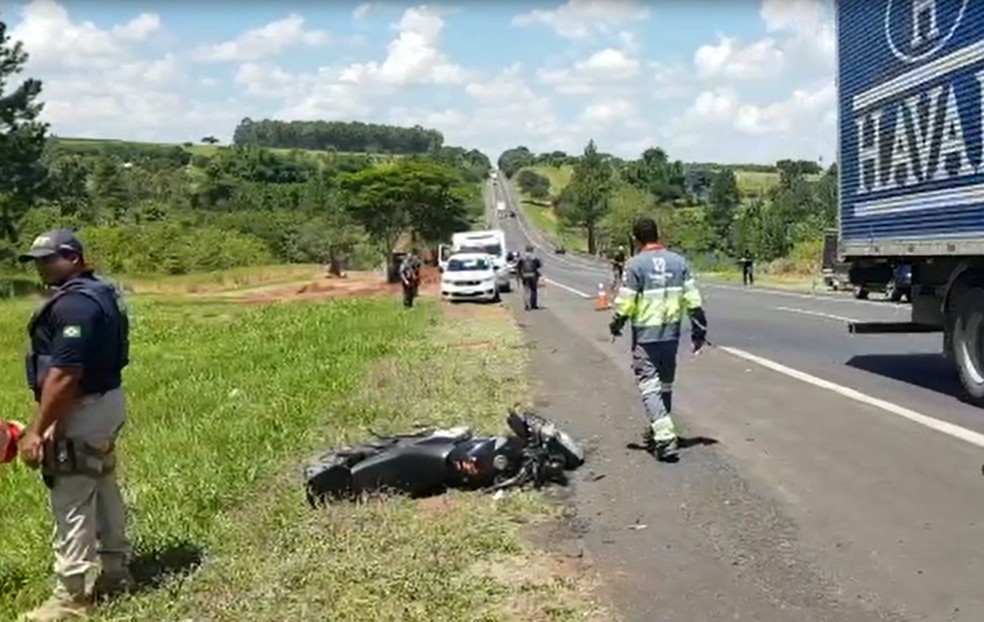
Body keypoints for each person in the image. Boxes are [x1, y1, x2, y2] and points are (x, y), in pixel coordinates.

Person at [16, 229, 133, 621]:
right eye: (37, 261)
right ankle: (116, 573)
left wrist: (37, 429)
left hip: (83, 407)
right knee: (101, 484)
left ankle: (70, 596)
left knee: (72, 497)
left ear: (74, 256)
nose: (42, 267)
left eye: (49, 258)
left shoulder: (74, 307)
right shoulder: (100, 292)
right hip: (106, 402)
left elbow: (65, 373)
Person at [609, 217, 708, 462]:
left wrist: (616, 323)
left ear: (636, 238)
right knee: (664, 386)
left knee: (649, 387)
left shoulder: (634, 265)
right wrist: (699, 332)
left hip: (646, 337)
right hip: (671, 335)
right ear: (658, 233)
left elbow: (626, 302)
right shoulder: (679, 262)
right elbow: (693, 301)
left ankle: (664, 439)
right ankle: (659, 430)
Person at [515, 244, 542, 310]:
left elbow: (518, 266)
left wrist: (519, 275)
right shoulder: (534, 257)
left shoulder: (522, 258)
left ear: (526, 250)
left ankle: (526, 304)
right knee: (533, 290)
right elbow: (539, 265)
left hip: (524, 275)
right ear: (532, 250)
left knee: (526, 290)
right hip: (533, 275)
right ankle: (533, 305)